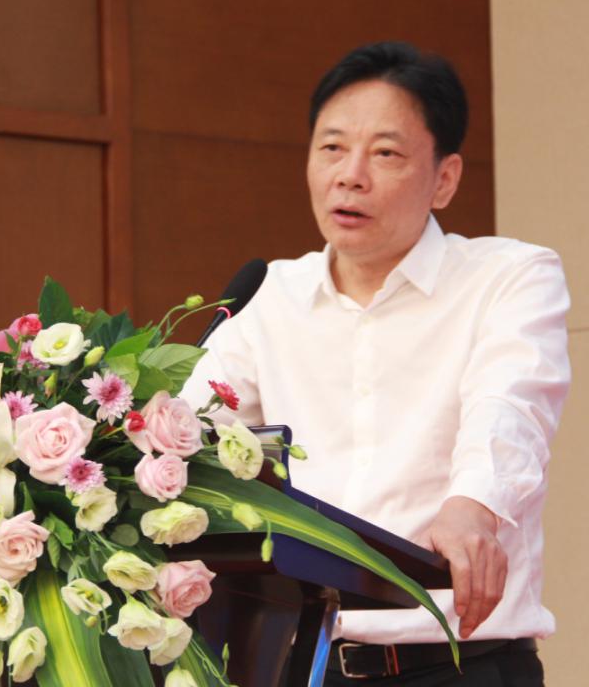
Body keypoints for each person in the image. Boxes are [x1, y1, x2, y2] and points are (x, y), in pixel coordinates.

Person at [182, 42, 569, 685]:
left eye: (385, 154)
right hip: (305, 667)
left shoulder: (509, 277)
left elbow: (511, 405)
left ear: (444, 179)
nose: (350, 175)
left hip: (459, 667)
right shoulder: (268, 296)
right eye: (332, 148)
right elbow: (190, 433)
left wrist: (473, 505)